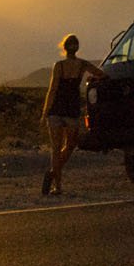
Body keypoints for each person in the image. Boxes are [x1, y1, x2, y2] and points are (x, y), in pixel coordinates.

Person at [41, 34, 103, 195]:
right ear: (77, 47)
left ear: (64, 47)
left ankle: (57, 184)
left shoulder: (59, 66)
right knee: (70, 145)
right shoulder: (83, 65)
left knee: (55, 148)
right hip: (72, 109)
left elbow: (52, 89)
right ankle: (54, 173)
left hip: (56, 110)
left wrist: (45, 111)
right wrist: (92, 79)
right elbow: (102, 74)